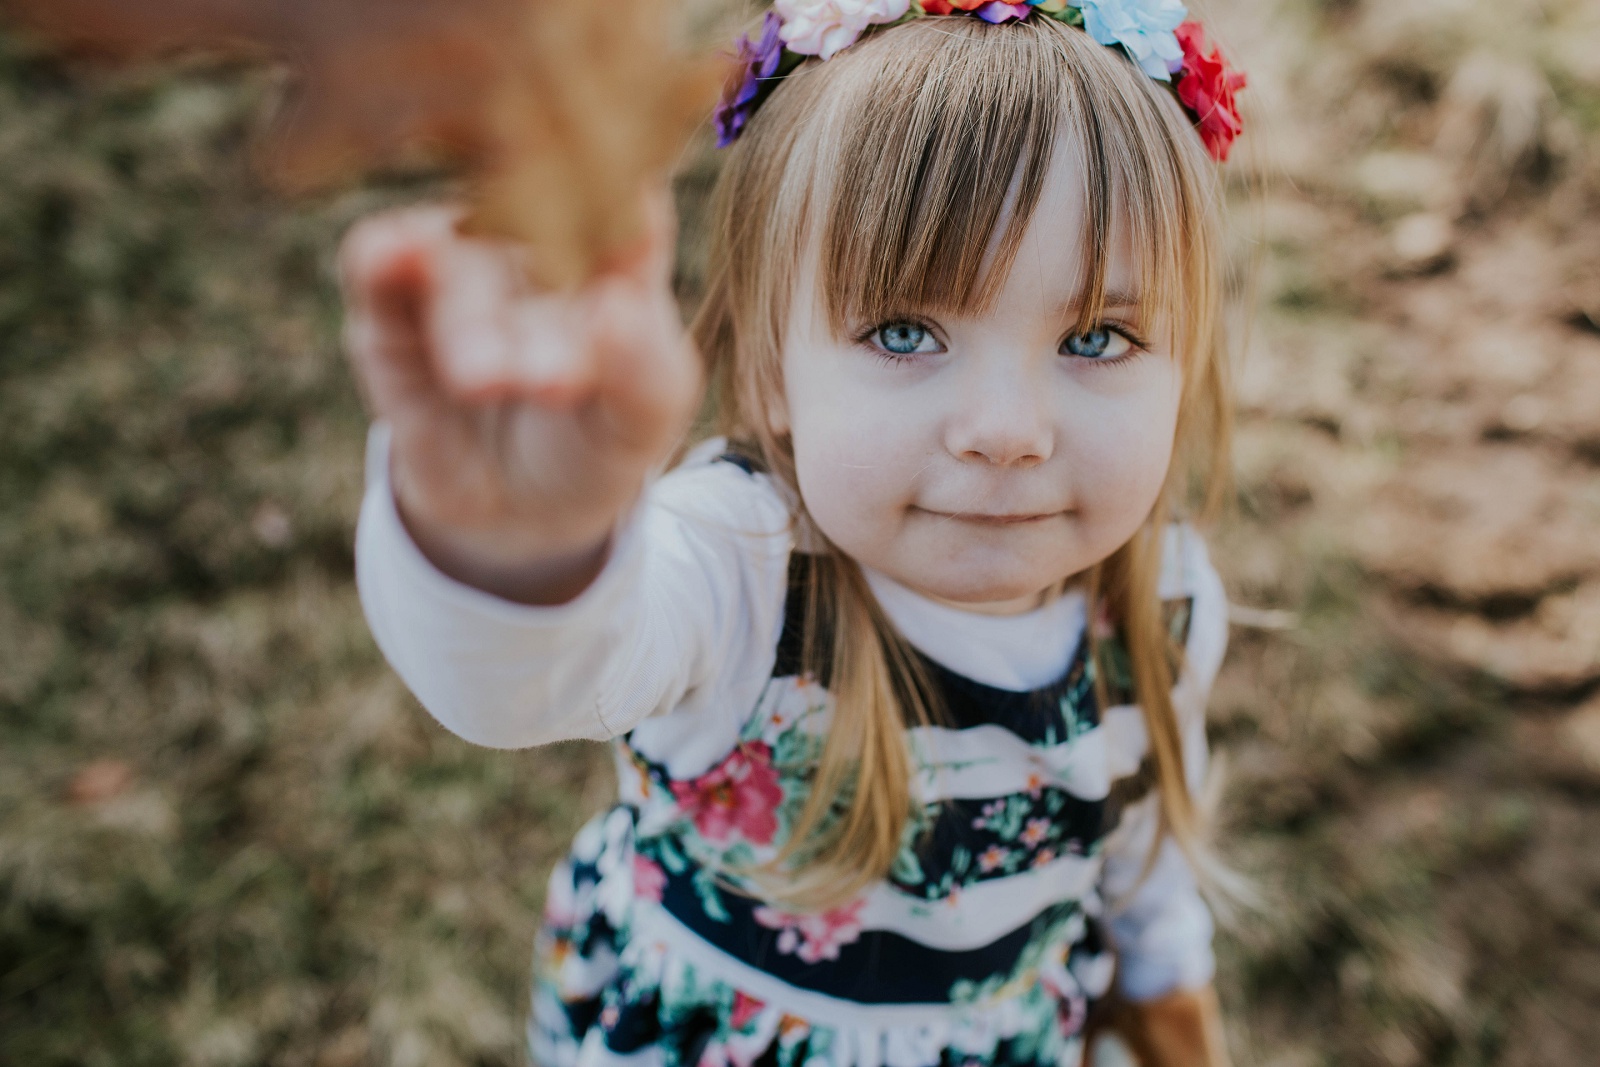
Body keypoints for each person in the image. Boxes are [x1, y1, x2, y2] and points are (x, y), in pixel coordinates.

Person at [340, 4, 1248, 1065]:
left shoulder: (1164, 603)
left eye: (1096, 335)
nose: (1005, 430)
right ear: (772, 372)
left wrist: (1169, 992)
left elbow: (1136, 849)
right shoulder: (738, 570)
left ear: (1182, 366)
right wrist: (518, 542)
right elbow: (528, 682)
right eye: (905, 332)